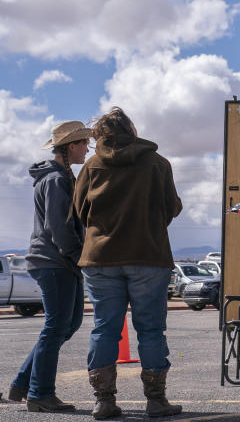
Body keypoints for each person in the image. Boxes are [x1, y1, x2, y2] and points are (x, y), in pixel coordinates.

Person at [72, 108, 183, 419]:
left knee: (104, 329)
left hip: (100, 257)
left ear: (101, 135)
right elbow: (171, 207)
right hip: (148, 256)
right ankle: (156, 400)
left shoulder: (92, 166)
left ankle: (104, 401)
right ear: (131, 130)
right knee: (151, 330)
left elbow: (79, 210)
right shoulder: (158, 164)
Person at [7, 121, 92, 412]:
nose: (87, 148)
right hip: (55, 262)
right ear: (71, 146)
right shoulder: (56, 179)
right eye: (83, 143)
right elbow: (59, 228)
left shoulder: (61, 177)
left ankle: (23, 382)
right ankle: (40, 393)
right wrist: (79, 256)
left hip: (59, 263)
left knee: (68, 324)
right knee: (57, 327)